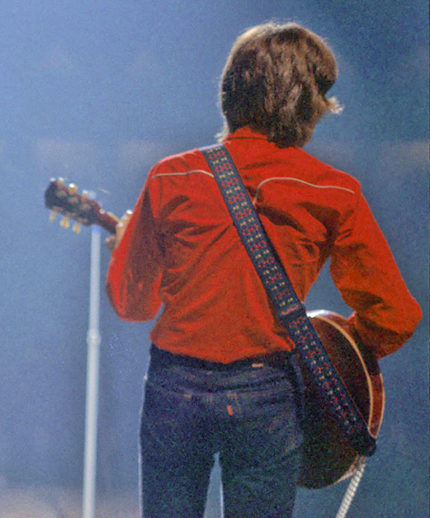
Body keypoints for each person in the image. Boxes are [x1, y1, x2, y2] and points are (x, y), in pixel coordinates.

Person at [104, 22, 422, 518]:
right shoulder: (333, 190)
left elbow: (131, 304)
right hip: (266, 393)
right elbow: (394, 317)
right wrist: (334, 348)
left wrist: (126, 248)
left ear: (230, 92)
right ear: (308, 105)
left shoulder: (172, 175)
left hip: (175, 388)